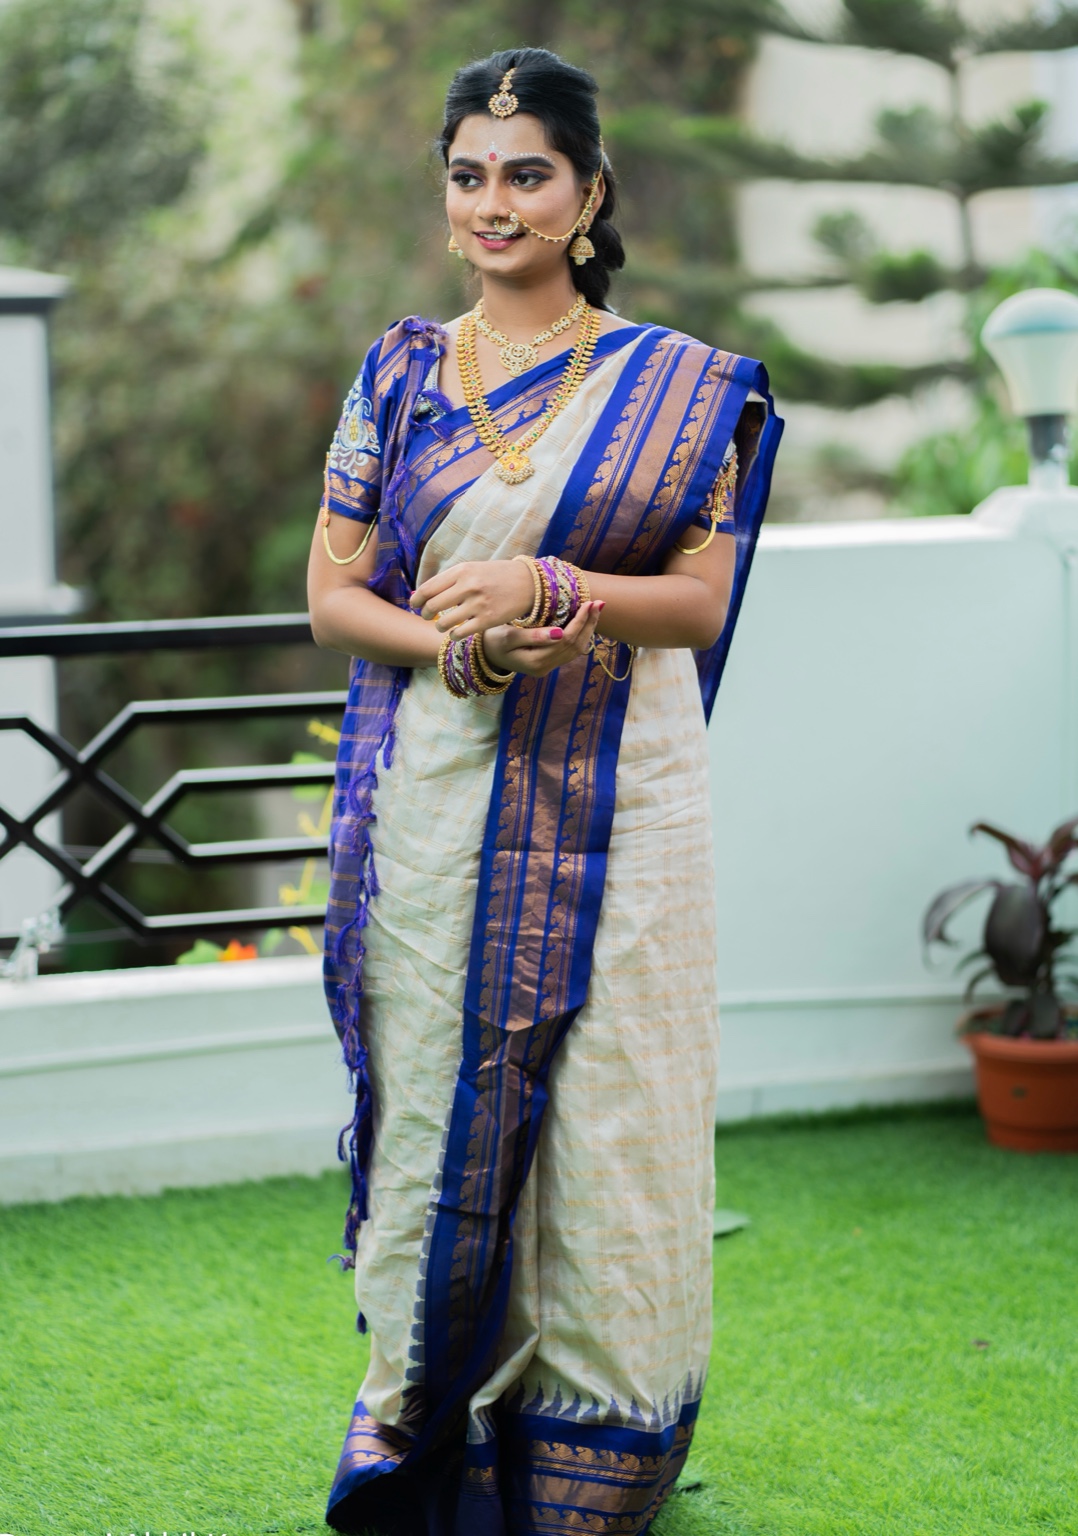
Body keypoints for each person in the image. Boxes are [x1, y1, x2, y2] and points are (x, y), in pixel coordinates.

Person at [307, 45, 781, 1536]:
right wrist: (457, 652)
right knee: (442, 1091)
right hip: (443, 795)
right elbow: (334, 597)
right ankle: (421, 1412)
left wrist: (552, 580)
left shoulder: (678, 388)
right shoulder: (397, 372)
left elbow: (695, 605)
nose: (494, 202)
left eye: (527, 174)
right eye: (469, 176)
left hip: (626, 797)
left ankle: (591, 1444)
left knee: (615, 1105)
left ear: (587, 194)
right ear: (446, 200)